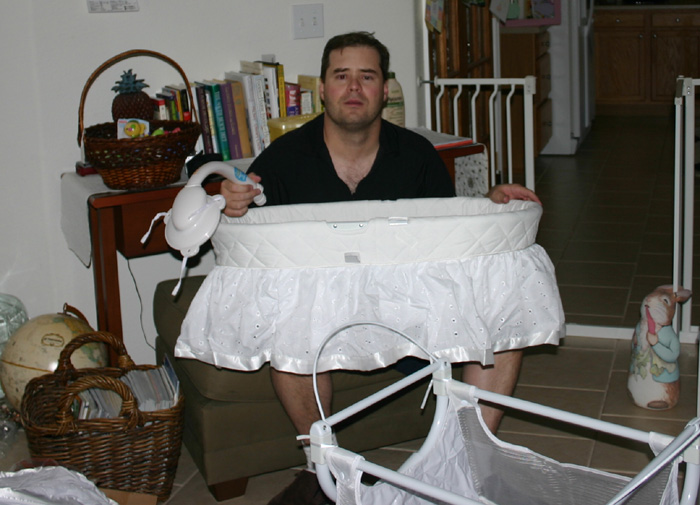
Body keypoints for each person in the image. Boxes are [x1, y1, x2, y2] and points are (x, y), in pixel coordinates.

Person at [221, 31, 541, 505]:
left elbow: (450, 229)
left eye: (366, 77)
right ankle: (321, 464)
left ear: (384, 89)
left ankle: (468, 458)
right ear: (323, 89)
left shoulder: (417, 155)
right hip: (324, 314)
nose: (353, 88)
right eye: (341, 76)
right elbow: (248, 224)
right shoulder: (283, 159)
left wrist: (489, 205)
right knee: (289, 330)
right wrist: (232, 204)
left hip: (409, 308)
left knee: (500, 319)